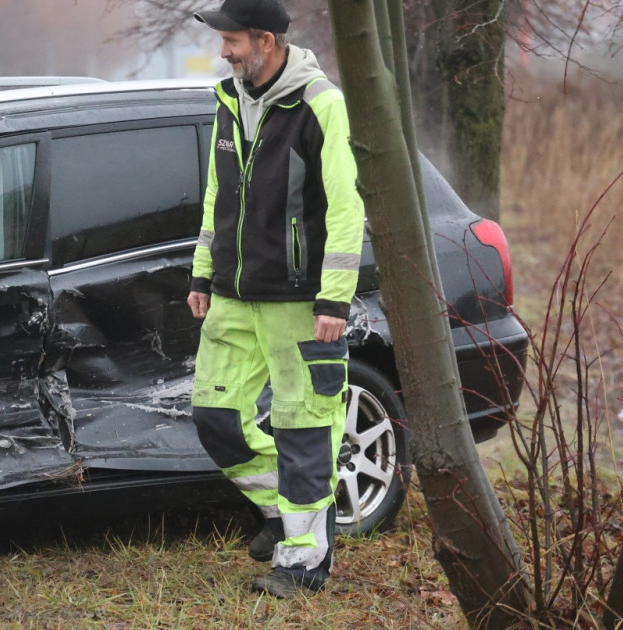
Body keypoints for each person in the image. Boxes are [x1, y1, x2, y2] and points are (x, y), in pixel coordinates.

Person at [188, 0, 365, 598]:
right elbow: (217, 198)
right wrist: (201, 274)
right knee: (216, 418)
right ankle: (279, 512)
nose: (224, 51)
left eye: (232, 40)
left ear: (265, 40)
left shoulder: (320, 104)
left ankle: (304, 563)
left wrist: (333, 300)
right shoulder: (227, 99)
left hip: (299, 300)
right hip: (234, 295)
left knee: (304, 428)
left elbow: (345, 209)